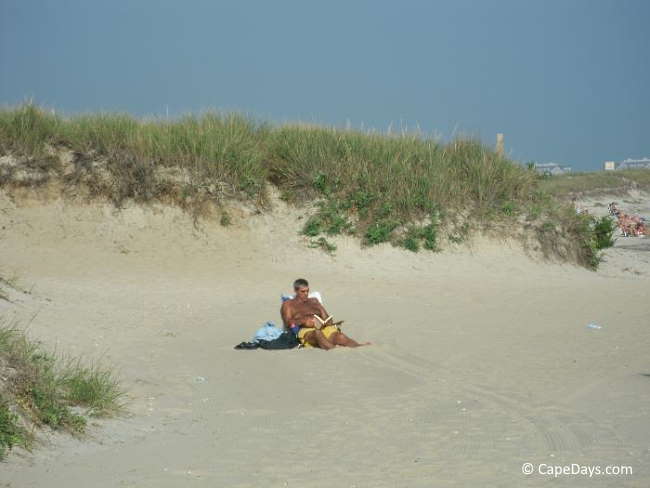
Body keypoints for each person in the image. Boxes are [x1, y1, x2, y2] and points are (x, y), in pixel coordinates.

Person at [280, 278, 369, 350]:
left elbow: (328, 320)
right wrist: (304, 321)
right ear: (296, 291)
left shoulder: (314, 301)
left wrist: (321, 313)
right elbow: (288, 322)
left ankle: (358, 347)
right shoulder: (288, 304)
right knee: (317, 333)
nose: (306, 294)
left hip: (323, 328)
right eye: (303, 292)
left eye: (307, 291)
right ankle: (334, 350)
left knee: (340, 336)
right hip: (307, 331)